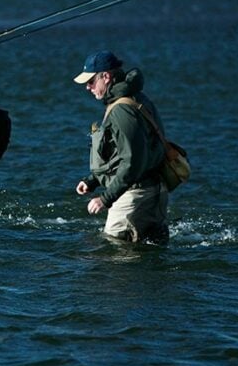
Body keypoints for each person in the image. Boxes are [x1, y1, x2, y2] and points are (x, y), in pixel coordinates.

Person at [73, 50, 170, 242]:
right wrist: (93, 180)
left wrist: (105, 198)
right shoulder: (137, 98)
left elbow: (133, 161)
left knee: (115, 260)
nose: (87, 87)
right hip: (153, 191)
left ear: (106, 77)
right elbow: (125, 154)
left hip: (134, 196)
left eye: (91, 81)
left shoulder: (121, 109)